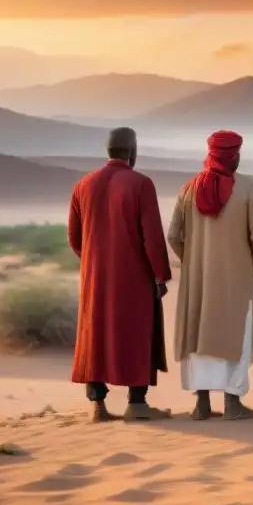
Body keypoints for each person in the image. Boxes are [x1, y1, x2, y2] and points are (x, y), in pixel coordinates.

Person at [68, 127, 172, 423]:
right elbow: (152, 236)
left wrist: (95, 262)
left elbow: (75, 238)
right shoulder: (141, 184)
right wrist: (160, 275)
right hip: (135, 276)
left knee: (95, 333)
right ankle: (136, 403)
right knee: (137, 331)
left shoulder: (82, 185)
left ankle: (98, 405)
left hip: (95, 277)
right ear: (132, 150)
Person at [168, 130, 253, 421]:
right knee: (236, 334)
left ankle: (201, 404)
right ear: (233, 155)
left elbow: (173, 235)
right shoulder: (248, 189)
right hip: (238, 277)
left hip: (197, 278)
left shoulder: (188, 189)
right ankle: (232, 403)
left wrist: (193, 262)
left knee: (199, 336)